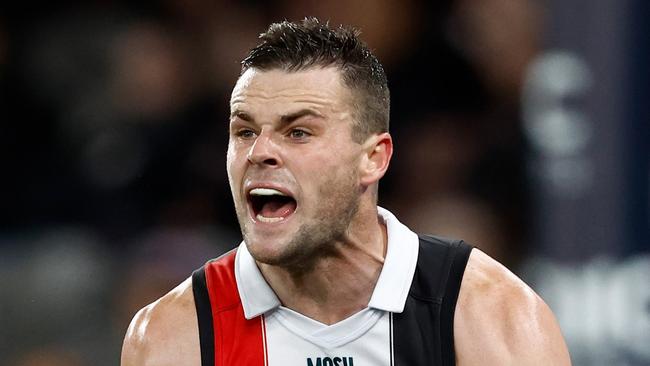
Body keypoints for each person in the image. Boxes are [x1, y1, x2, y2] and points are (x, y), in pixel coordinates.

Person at [121, 18, 571, 365]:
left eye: (298, 132)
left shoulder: (488, 314)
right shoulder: (174, 336)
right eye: (244, 131)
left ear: (373, 158)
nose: (260, 152)